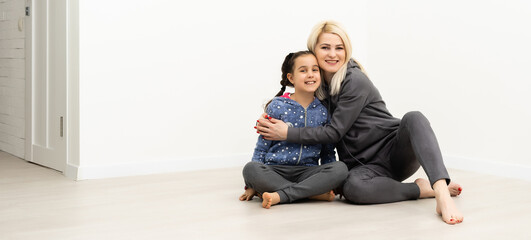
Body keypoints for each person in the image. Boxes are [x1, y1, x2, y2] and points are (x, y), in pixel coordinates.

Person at [256, 21, 464, 224]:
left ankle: (441, 194)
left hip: (393, 152)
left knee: (414, 117)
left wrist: (286, 133)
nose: (332, 54)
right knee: (352, 189)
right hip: (363, 168)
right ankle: (420, 189)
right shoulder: (318, 88)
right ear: (314, 51)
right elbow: (302, 114)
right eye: (325, 47)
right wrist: (272, 121)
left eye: (339, 48)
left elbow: (333, 133)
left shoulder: (354, 80)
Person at [240, 51, 348, 209]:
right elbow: (262, 146)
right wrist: (251, 184)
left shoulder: (324, 111)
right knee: (251, 169)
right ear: (291, 78)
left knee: (340, 169)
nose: (310, 75)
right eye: (303, 70)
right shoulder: (278, 106)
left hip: (308, 172)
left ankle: (282, 194)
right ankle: (311, 193)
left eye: (315, 70)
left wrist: (331, 179)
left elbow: (327, 151)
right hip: (275, 170)